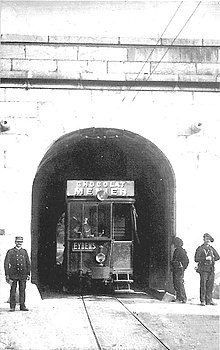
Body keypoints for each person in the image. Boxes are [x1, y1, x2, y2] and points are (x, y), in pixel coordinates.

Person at [4, 236, 30, 312]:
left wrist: (28, 273)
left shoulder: (24, 251)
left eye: (20, 242)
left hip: (23, 274)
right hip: (13, 274)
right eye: (18, 242)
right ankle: (12, 306)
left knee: (22, 290)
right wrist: (7, 274)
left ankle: (22, 305)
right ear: (15, 242)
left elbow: (28, 263)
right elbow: (6, 263)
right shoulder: (11, 251)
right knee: (13, 290)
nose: (19, 243)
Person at [194, 233, 220, 306]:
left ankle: (209, 300)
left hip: (211, 269)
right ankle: (203, 300)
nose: (207, 241)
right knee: (203, 285)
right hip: (203, 269)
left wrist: (213, 259)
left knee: (210, 285)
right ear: (204, 239)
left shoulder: (211, 249)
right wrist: (205, 258)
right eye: (206, 239)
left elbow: (218, 256)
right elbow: (196, 259)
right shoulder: (200, 248)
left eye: (209, 240)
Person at [171, 237, 189, 303]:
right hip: (175, 269)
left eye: (175, 243)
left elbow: (186, 261)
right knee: (176, 283)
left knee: (180, 283)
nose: (174, 245)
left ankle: (183, 298)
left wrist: (182, 267)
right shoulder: (176, 250)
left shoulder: (182, 251)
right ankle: (178, 298)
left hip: (179, 270)